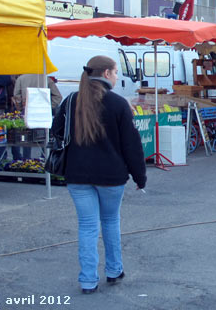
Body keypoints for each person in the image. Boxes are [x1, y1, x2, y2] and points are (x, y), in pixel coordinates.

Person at [52, 56, 146, 294]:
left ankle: (87, 280)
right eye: (115, 72)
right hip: (111, 176)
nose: (117, 76)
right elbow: (131, 145)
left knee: (87, 227)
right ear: (106, 74)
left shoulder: (71, 101)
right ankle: (114, 270)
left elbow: (56, 132)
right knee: (111, 221)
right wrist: (139, 176)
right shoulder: (118, 104)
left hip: (77, 175)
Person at [12, 74, 63, 159]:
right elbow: (58, 96)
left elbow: (16, 96)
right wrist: (48, 106)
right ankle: (44, 160)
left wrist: (21, 107)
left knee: (26, 137)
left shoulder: (21, 78)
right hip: (43, 112)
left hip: (27, 111)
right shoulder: (46, 79)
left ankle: (26, 160)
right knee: (44, 137)